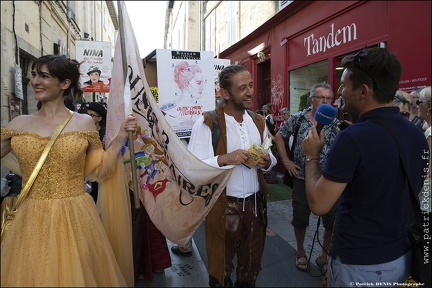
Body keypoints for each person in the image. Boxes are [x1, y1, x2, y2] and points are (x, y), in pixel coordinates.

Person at [0, 55, 137, 287]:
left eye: (44, 76)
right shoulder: (18, 124)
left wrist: (121, 136)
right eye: (34, 75)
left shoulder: (83, 123)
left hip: (75, 218)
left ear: (65, 84)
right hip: (29, 217)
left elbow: (101, 169)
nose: (35, 81)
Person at [302, 47, 429, 286]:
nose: (339, 91)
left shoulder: (353, 138)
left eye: (343, 85)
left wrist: (311, 157)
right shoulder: (417, 134)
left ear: (363, 91)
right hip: (402, 258)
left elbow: (319, 204)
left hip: (360, 265)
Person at [187, 64, 277, 287]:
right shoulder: (208, 122)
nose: (249, 92)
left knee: (250, 270)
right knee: (221, 271)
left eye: (251, 85)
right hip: (223, 207)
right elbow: (192, 170)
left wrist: (267, 161)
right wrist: (225, 159)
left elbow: (271, 156)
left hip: (255, 206)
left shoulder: (258, 120)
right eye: (242, 88)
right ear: (225, 93)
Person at [274, 82, 338, 274]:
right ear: (311, 100)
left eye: (329, 98)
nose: (326, 101)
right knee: (300, 217)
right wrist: (286, 161)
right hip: (302, 177)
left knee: (331, 220)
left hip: (328, 180)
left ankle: (324, 255)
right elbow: (279, 136)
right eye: (321, 98)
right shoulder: (299, 119)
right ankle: (300, 252)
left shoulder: (334, 122)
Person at [80, 101, 107, 203]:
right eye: (87, 114)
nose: (88, 117)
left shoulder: (105, 133)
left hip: (100, 173)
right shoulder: (81, 131)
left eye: (92, 115)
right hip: (84, 173)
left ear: (99, 118)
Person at [417, 86, 431, 212]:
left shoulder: (430, 132)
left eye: (419, 102)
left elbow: (428, 171)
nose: (417, 106)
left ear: (429, 107)